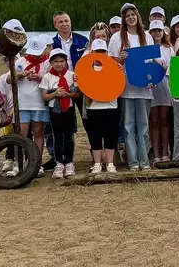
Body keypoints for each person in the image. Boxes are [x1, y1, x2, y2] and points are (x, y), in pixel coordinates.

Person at [108, 3, 155, 171]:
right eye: (127, 15)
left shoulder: (147, 36)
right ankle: (133, 161)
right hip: (126, 88)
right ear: (124, 18)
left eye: (133, 14)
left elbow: (152, 61)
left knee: (143, 125)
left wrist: (153, 78)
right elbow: (111, 63)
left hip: (144, 88)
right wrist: (121, 59)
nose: (130, 17)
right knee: (128, 126)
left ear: (138, 16)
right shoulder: (117, 38)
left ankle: (144, 160)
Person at [7, 36, 51, 178]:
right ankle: (18, 163)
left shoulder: (48, 63)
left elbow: (52, 81)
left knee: (38, 132)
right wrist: (20, 74)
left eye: (39, 52)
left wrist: (39, 77)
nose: (36, 55)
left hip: (39, 103)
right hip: (22, 103)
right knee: (21, 134)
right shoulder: (21, 61)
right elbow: (8, 79)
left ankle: (36, 163)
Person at [39, 49, 81, 178]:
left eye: (62, 61)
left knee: (69, 136)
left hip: (68, 109)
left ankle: (69, 162)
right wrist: (55, 94)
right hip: (55, 110)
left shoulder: (71, 75)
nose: (59, 64)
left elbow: (78, 94)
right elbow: (44, 96)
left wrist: (68, 94)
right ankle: (58, 163)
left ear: (66, 62)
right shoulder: (47, 77)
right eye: (56, 61)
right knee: (56, 136)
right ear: (51, 63)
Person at [83, 39, 120, 173]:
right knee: (95, 136)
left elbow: (119, 85)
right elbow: (82, 86)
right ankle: (97, 163)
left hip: (111, 106)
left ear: (107, 53)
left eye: (102, 51)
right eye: (97, 51)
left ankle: (110, 163)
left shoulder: (114, 67)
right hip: (93, 107)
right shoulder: (86, 68)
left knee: (111, 135)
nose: (100, 54)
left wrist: (119, 72)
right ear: (92, 52)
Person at [149, 20, 172, 164]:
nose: (157, 33)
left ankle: (165, 151)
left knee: (164, 120)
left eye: (159, 30)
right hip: (151, 88)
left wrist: (158, 63)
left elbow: (170, 67)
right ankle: (155, 152)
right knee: (154, 121)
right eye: (154, 30)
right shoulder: (147, 48)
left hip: (165, 86)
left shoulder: (168, 49)